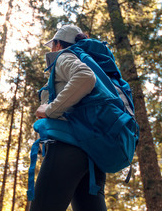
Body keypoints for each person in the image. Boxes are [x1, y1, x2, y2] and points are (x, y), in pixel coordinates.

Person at [30, 25, 107, 211]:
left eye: (52, 45)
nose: (50, 50)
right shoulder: (91, 63)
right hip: (92, 156)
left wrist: (50, 110)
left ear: (57, 45)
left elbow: (85, 77)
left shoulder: (64, 57)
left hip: (66, 149)